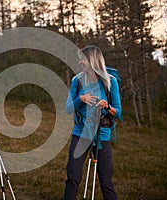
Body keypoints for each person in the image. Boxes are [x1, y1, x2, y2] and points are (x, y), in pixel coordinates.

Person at [63, 45, 121, 200]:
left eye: (83, 58)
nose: (80, 61)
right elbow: (68, 109)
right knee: (72, 178)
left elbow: (119, 112)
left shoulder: (110, 81)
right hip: (80, 134)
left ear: (92, 60)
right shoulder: (77, 80)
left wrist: (107, 107)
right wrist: (80, 99)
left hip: (102, 136)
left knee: (106, 182)